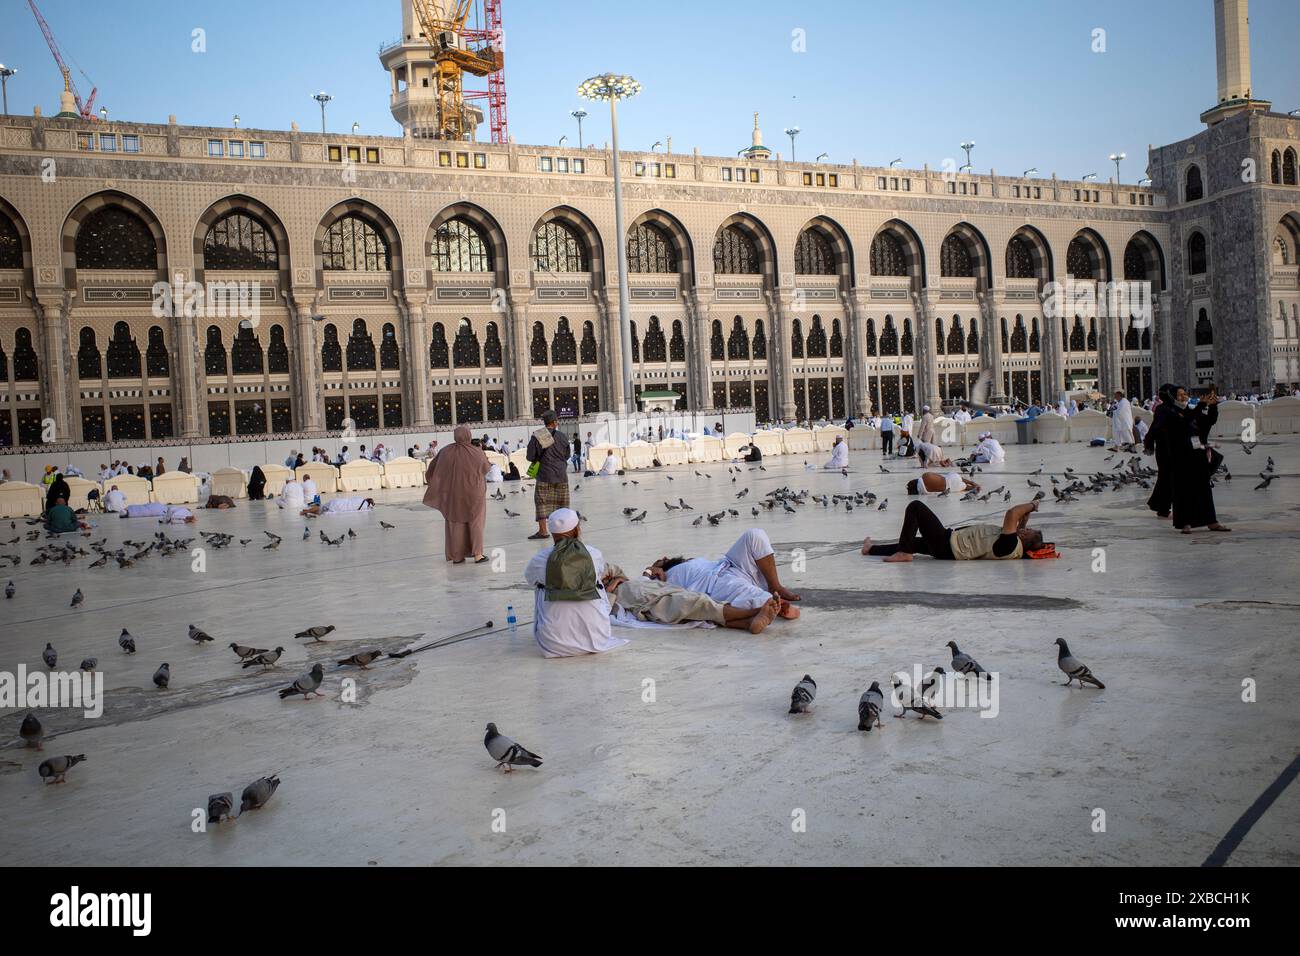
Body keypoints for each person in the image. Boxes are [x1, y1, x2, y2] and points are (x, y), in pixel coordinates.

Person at [524, 508, 626, 658]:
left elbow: (530, 579)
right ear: (578, 529)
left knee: (540, 587)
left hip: (553, 643)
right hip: (597, 638)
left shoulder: (539, 559)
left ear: (552, 534)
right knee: (596, 583)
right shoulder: (594, 554)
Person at [647, 528, 801, 618]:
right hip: (715, 585)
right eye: (659, 561)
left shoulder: (689, 561)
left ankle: (775, 586)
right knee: (745, 591)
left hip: (731, 565)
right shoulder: (665, 578)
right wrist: (650, 571)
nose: (663, 558)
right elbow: (641, 589)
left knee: (754, 535)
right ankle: (776, 605)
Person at [1143, 384, 1230, 533]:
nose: (1184, 397)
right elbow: (1183, 423)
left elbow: (1208, 421)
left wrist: (1213, 406)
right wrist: (1201, 405)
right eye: (1179, 395)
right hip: (1181, 457)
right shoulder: (1170, 412)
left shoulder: (1190, 410)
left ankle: (1211, 521)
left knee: (1204, 490)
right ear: (1172, 397)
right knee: (1183, 491)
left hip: (1198, 454)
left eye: (1185, 394)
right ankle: (1185, 523)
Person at [602, 564, 780, 634]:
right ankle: (755, 611)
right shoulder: (614, 593)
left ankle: (750, 622)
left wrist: (651, 570)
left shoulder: (628, 578)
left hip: (656, 589)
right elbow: (603, 605)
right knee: (697, 603)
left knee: (701, 609)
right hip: (647, 600)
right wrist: (611, 588)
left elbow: (645, 571)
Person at [862, 499, 1045, 562]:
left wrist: (1032, 505)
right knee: (914, 543)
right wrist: (1024, 522)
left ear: (1025, 540)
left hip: (949, 544)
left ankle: (904, 553)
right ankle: (871, 549)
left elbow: (1012, 513)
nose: (1025, 529)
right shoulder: (1012, 546)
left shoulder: (1010, 544)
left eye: (1028, 531)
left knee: (915, 507)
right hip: (949, 548)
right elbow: (1016, 527)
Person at [423, 425, 491, 564]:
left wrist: (439, 485)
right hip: (474, 494)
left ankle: (457, 556)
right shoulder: (476, 452)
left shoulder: (445, 451)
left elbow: (431, 471)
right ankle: (478, 554)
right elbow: (486, 468)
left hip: (453, 494)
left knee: (456, 522)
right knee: (475, 522)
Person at [526, 410, 571, 541]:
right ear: (554, 422)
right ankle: (564, 530)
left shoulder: (538, 435)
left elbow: (530, 457)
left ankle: (543, 531)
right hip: (561, 475)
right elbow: (567, 455)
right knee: (562, 503)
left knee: (541, 502)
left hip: (544, 475)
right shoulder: (562, 436)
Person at [906, 470, 978, 496]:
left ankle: (974, 486)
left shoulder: (925, 492)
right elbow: (941, 476)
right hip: (952, 478)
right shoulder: (926, 476)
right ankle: (972, 483)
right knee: (955, 478)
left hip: (953, 488)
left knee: (966, 487)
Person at [303, 496, 375, 515]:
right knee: (321, 511)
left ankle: (307, 511)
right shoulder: (364, 508)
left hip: (338, 502)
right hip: (339, 507)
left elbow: (351, 499)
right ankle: (307, 511)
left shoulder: (360, 498)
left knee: (321, 508)